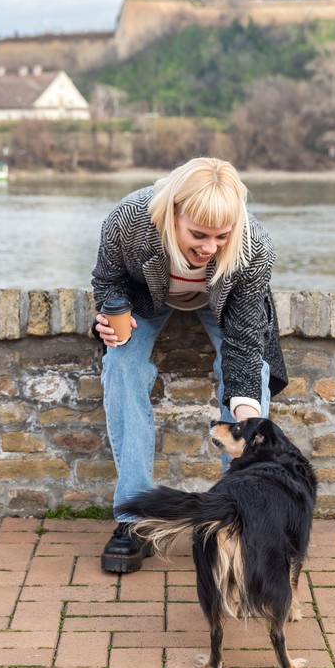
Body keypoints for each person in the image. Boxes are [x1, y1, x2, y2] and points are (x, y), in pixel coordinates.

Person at [91, 157, 288, 573]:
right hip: (145, 299)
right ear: (172, 214)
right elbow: (107, 280)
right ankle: (135, 518)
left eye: (222, 236)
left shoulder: (255, 246)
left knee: (254, 381)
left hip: (223, 304)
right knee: (121, 365)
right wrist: (110, 316)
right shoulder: (129, 220)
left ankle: (239, 519)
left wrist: (248, 415)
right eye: (198, 234)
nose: (209, 247)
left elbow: (244, 341)